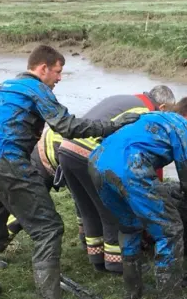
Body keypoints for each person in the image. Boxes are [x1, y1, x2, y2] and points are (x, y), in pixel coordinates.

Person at [0, 44, 138, 299]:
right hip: (9, 164)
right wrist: (113, 125)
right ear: (43, 68)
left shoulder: (0, 88)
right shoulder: (36, 90)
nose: (59, 78)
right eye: (58, 72)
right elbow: (69, 128)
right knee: (48, 229)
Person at [89, 96, 187, 299]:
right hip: (129, 167)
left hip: (97, 163)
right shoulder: (183, 126)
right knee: (170, 230)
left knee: (129, 225)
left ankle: (132, 291)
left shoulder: (150, 116)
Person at [57, 86, 176, 274]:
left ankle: (96, 257)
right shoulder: (145, 114)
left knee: (88, 209)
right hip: (89, 154)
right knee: (110, 209)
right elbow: (143, 156)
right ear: (162, 107)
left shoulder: (127, 99)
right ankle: (115, 262)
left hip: (66, 149)